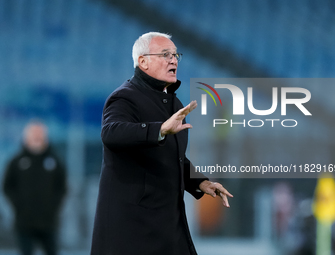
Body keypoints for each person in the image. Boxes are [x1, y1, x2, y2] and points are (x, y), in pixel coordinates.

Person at [90, 32, 233, 255]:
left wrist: (201, 183)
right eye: (165, 54)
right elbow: (110, 133)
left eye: (176, 55)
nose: (173, 59)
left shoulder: (175, 104)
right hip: (134, 226)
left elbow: (174, 158)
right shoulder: (124, 97)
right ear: (143, 61)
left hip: (168, 223)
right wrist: (160, 129)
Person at [3, 121, 67, 255]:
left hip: (48, 221)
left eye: (40, 134)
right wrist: (18, 205)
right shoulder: (16, 161)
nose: (37, 137)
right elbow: (7, 186)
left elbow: (62, 187)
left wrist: (53, 206)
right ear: (26, 137)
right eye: (34, 134)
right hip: (24, 221)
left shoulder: (54, 161)